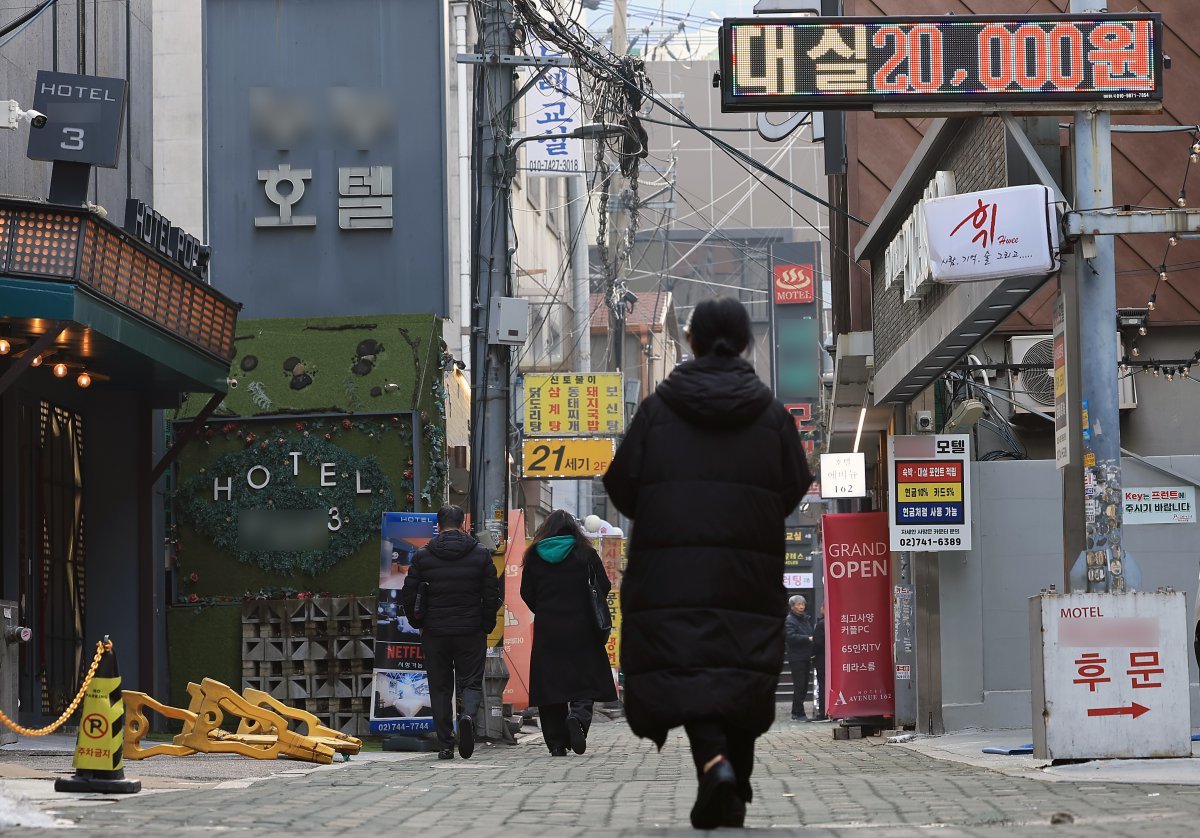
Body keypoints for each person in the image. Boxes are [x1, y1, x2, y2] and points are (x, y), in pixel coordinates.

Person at [603, 297, 812, 830]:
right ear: (744, 344)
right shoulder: (771, 415)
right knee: (739, 670)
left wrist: (663, 508)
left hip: (672, 574)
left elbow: (621, 485)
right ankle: (730, 780)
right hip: (748, 569)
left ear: (691, 343)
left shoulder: (657, 411)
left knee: (692, 669)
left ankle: (716, 765)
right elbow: (794, 485)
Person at [400, 504, 500, 760]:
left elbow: (408, 594)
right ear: (463, 523)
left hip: (435, 631)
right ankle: (467, 716)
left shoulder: (423, 556)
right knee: (471, 682)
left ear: (438, 524)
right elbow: (492, 595)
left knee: (440, 687)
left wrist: (417, 622)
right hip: (470, 629)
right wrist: (485, 624)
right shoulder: (480, 554)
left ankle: (446, 745)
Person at [520, 510, 618, 757]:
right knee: (584, 679)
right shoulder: (585, 553)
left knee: (550, 685)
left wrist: (543, 609)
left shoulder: (534, 555)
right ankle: (578, 718)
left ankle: (556, 743)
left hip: (548, 629)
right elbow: (603, 586)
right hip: (583, 627)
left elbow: (526, 592)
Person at [785, 595, 815, 722]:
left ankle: (796, 711)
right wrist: (807, 638)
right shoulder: (790, 620)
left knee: (803, 686)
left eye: (803, 604)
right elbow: (789, 637)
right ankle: (799, 713)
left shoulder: (805, 619)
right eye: (798, 604)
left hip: (806, 656)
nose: (802, 606)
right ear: (792, 607)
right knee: (800, 685)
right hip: (796, 657)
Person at [811, 603, 827, 721]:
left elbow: (818, 643)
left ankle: (823, 711)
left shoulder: (821, 624)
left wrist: (812, 654)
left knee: (823, 686)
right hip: (833, 660)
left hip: (822, 659)